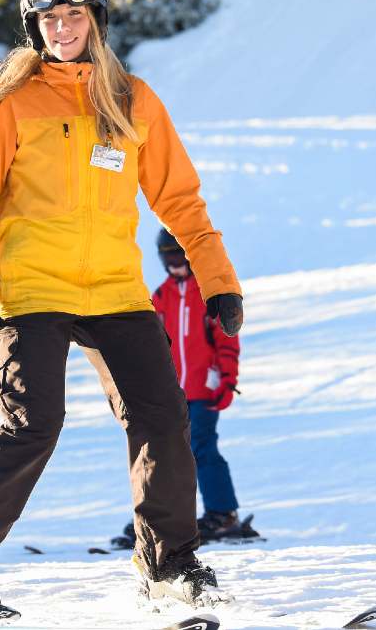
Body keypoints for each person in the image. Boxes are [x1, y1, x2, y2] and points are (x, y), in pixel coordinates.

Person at [0, 0, 245, 615]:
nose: (63, 28)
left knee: (164, 419)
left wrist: (219, 283)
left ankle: (170, 564)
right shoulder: (12, 104)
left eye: (74, 16)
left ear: (95, 20)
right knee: (34, 422)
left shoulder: (132, 99)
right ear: (35, 27)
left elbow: (180, 201)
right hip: (34, 290)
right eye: (50, 19)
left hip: (116, 291)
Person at [112, 231, 257, 551]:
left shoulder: (206, 292)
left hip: (204, 387)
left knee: (202, 447)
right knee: (164, 453)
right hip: (170, 391)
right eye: (168, 257)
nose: (175, 264)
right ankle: (162, 520)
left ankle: (223, 513)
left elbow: (226, 338)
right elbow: (150, 345)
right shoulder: (161, 296)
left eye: (180, 256)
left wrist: (227, 378)